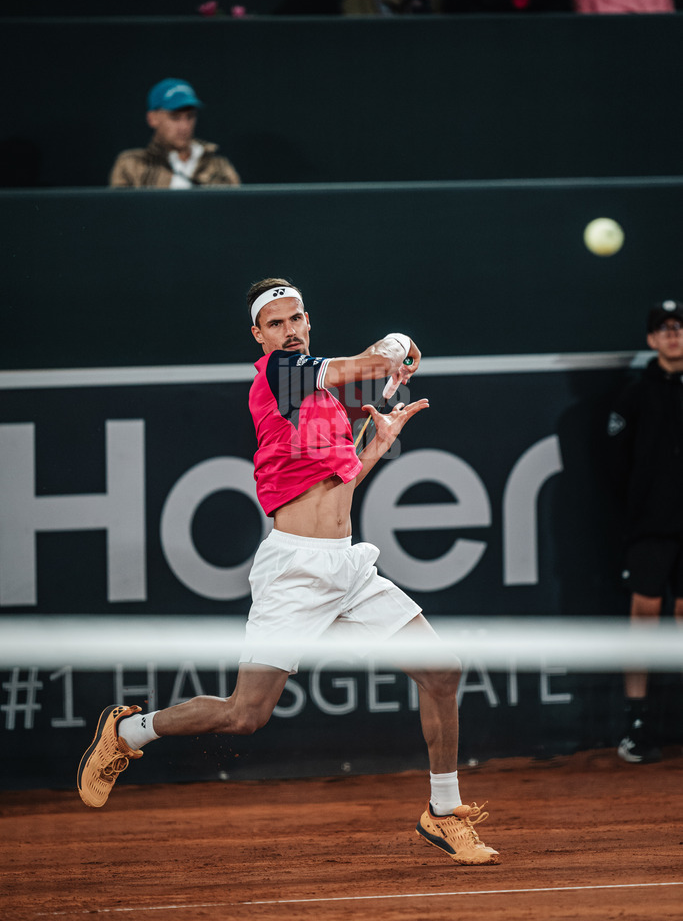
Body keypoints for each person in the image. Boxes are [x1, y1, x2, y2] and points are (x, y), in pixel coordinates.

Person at [76, 278, 500, 866]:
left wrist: (378, 443)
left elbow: (340, 481)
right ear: (259, 334)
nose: (290, 329)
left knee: (442, 672)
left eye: (296, 317)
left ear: (308, 318)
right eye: (275, 323)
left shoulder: (324, 401)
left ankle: (444, 811)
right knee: (245, 716)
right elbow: (362, 363)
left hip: (349, 566)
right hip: (293, 571)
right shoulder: (279, 374)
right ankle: (129, 732)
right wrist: (396, 344)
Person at [607, 299, 683, 763]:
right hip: (649, 528)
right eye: (664, 328)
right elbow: (616, 469)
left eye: (679, 326)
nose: (674, 334)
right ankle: (638, 724)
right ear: (653, 339)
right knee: (644, 620)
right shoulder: (634, 394)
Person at [109, 78, 240, 188]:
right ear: (152, 119)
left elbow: (236, 211)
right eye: (175, 117)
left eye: (190, 116)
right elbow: (121, 214)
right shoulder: (131, 164)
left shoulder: (219, 165)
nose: (184, 126)